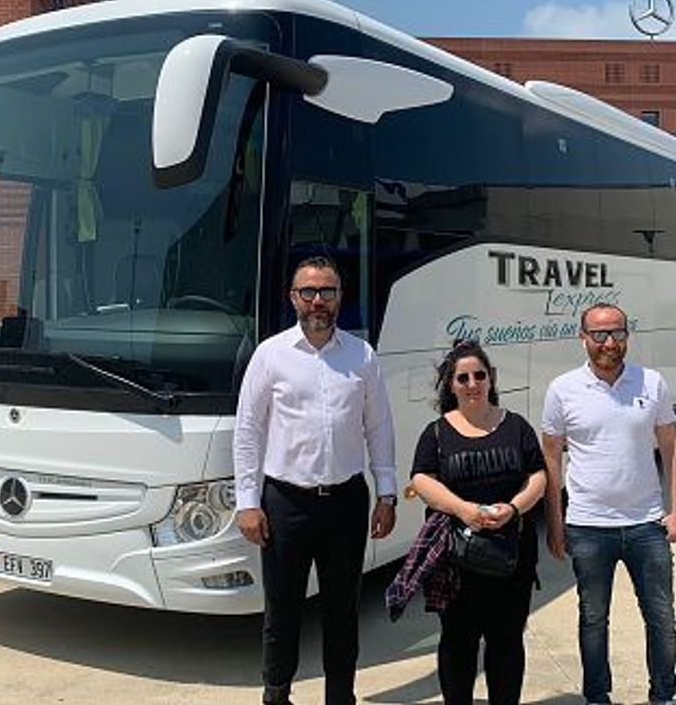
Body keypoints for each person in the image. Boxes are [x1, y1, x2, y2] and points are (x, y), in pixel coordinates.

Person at [232, 255, 398, 705]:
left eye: (327, 291)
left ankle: (340, 696)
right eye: (308, 292)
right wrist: (247, 501)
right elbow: (248, 431)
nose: (318, 300)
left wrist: (387, 493)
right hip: (285, 504)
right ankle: (276, 694)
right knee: (282, 610)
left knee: (342, 611)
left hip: (345, 503)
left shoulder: (362, 356)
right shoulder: (270, 355)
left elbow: (379, 427)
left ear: (340, 297)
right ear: (293, 298)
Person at [541, 303, 676, 705]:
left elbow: (671, 446)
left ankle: (663, 696)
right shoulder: (562, 389)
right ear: (583, 338)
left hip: (647, 524)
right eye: (599, 334)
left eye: (617, 333)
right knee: (593, 619)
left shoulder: (651, 383)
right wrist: (555, 522)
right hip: (588, 526)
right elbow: (551, 458)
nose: (609, 342)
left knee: (661, 617)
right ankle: (597, 696)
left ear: (627, 335)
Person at [408, 340, 547, 705]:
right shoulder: (436, 433)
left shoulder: (516, 426)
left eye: (479, 376)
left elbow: (538, 475)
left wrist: (514, 508)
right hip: (457, 561)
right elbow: (421, 479)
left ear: (491, 379)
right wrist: (462, 509)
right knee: (458, 641)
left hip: (511, 557)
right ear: (450, 385)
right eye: (463, 378)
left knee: (507, 640)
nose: (473, 384)